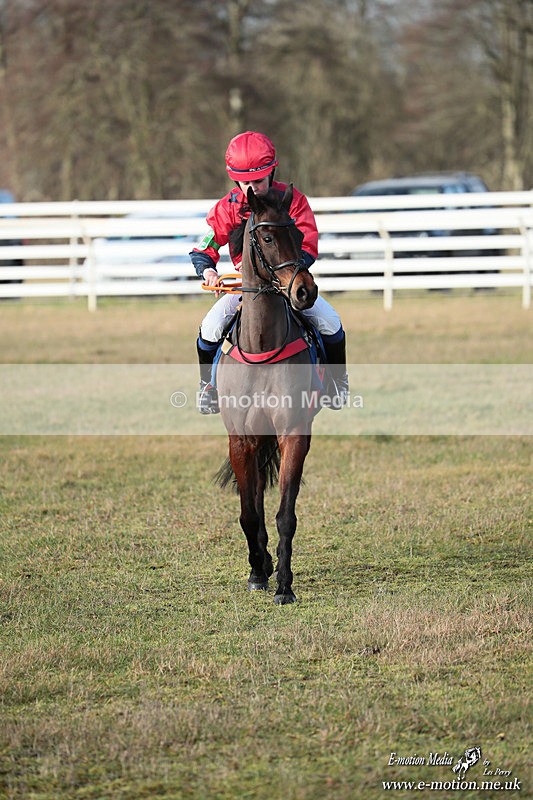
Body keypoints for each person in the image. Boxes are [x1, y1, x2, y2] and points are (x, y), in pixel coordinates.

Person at [190, 130, 348, 414]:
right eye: (244, 182)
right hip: (244, 289)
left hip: (288, 283)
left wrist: (289, 276)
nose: (251, 188)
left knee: (330, 322)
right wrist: (208, 272)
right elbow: (205, 247)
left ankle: (337, 384)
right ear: (234, 179)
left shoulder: (293, 201)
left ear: (271, 172)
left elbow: (309, 244)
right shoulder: (228, 208)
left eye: (258, 181)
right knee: (210, 328)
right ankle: (208, 388)